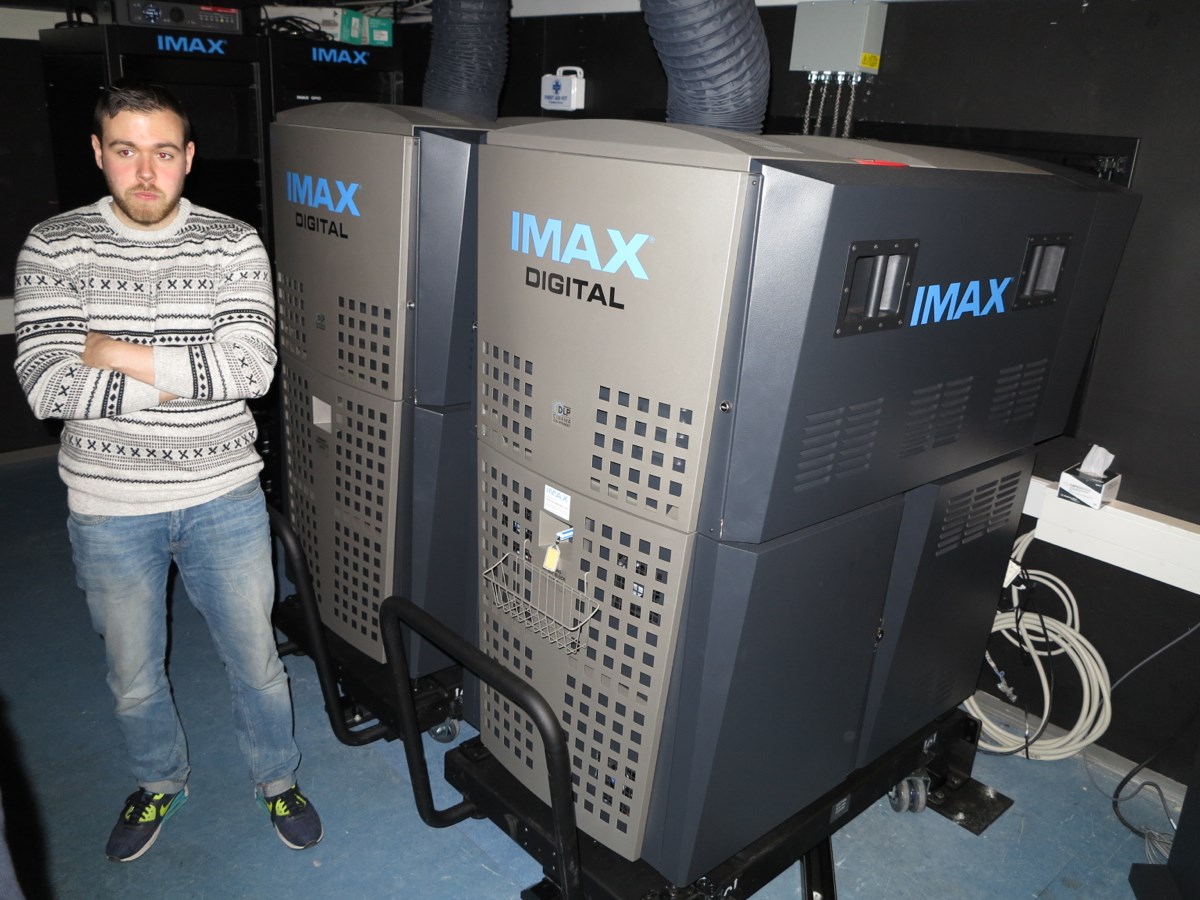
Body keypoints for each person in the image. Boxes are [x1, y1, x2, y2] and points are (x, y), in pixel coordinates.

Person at [12, 82, 321, 862]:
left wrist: (109, 349)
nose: (145, 172)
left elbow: (250, 370)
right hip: (108, 505)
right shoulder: (55, 245)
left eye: (162, 153)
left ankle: (277, 778)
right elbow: (49, 387)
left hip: (224, 496)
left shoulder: (231, 243)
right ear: (98, 153)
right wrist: (188, 371)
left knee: (257, 663)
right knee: (133, 675)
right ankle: (159, 780)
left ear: (188, 157)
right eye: (126, 151)